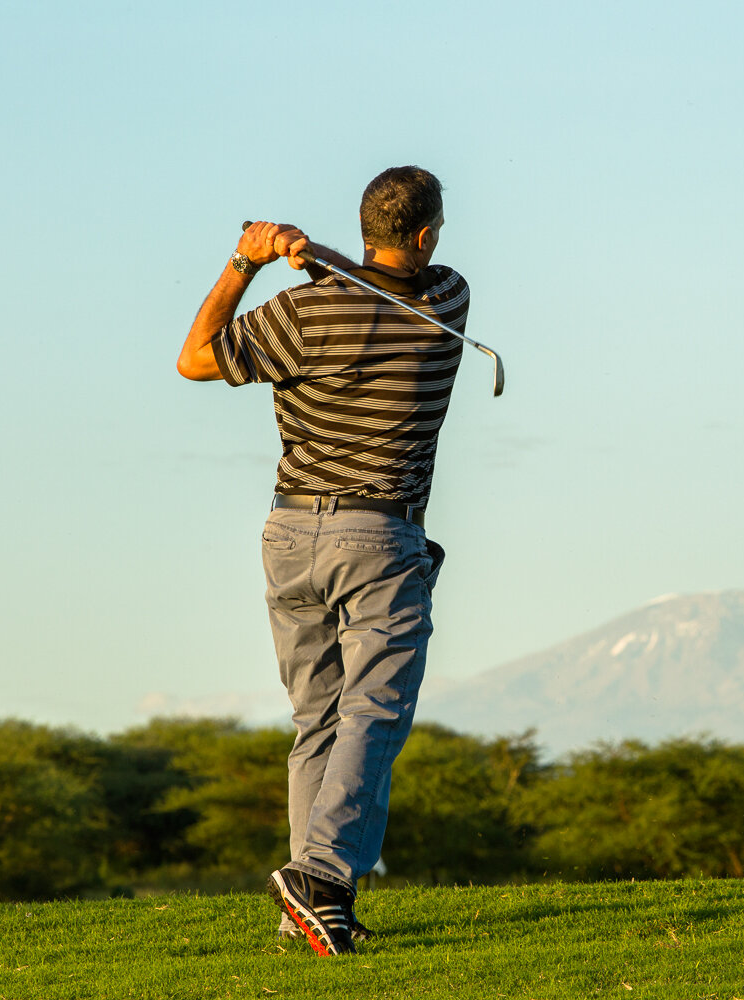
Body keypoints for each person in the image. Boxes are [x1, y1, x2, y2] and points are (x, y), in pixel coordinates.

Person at [177, 166, 469, 956]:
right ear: (426, 235)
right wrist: (314, 258)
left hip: (290, 535)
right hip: (379, 540)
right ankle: (321, 878)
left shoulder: (302, 315)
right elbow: (381, 286)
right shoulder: (447, 303)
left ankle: (311, 908)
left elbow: (196, 358)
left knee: (319, 721)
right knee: (373, 713)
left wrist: (247, 261)